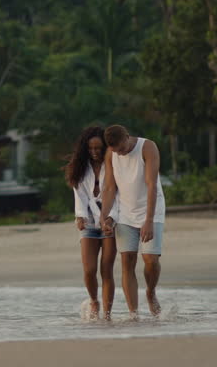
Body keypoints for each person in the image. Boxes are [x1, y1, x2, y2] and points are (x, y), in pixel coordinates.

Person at [97, 124, 165, 318]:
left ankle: (150, 292)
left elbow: (152, 185)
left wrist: (149, 220)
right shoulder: (112, 155)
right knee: (127, 260)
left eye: (123, 148)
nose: (121, 153)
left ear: (128, 136)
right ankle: (133, 313)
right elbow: (109, 188)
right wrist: (104, 217)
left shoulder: (147, 147)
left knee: (150, 260)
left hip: (152, 211)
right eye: (116, 151)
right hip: (126, 213)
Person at [66, 126, 119, 320]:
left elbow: (119, 196)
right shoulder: (80, 169)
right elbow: (79, 195)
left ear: (106, 147)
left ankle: (107, 315)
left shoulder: (114, 167)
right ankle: (94, 300)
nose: (95, 152)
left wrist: (111, 218)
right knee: (89, 270)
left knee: (107, 270)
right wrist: (80, 216)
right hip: (88, 224)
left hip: (109, 223)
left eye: (99, 148)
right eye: (91, 149)